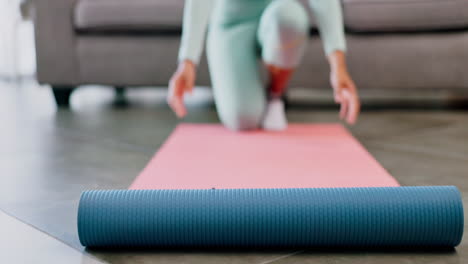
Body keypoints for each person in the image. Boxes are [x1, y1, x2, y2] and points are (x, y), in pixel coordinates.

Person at [168, 0, 360, 131]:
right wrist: (187, 61)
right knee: (243, 118)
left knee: (290, 18)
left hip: (276, 17)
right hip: (230, 25)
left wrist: (338, 67)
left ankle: (275, 95)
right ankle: (251, 98)